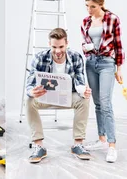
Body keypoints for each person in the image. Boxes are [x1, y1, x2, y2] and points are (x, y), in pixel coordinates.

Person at [25, 28, 92, 163]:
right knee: (29, 100)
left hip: (66, 97)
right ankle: (39, 146)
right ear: (49, 44)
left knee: (84, 99)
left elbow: (79, 81)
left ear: (67, 43)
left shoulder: (76, 57)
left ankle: (78, 144)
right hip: (46, 98)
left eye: (61, 46)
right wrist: (32, 92)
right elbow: (30, 84)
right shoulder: (39, 58)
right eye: (54, 47)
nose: (58, 51)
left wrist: (83, 90)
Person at [80, 0, 125, 163]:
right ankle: (102, 139)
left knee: (106, 103)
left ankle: (112, 146)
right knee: (98, 103)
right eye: (87, 6)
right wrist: (87, 48)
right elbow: (85, 43)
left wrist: (119, 69)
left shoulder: (113, 19)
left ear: (101, 4)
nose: (89, 10)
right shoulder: (85, 21)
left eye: (92, 7)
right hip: (91, 63)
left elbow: (118, 45)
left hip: (107, 63)